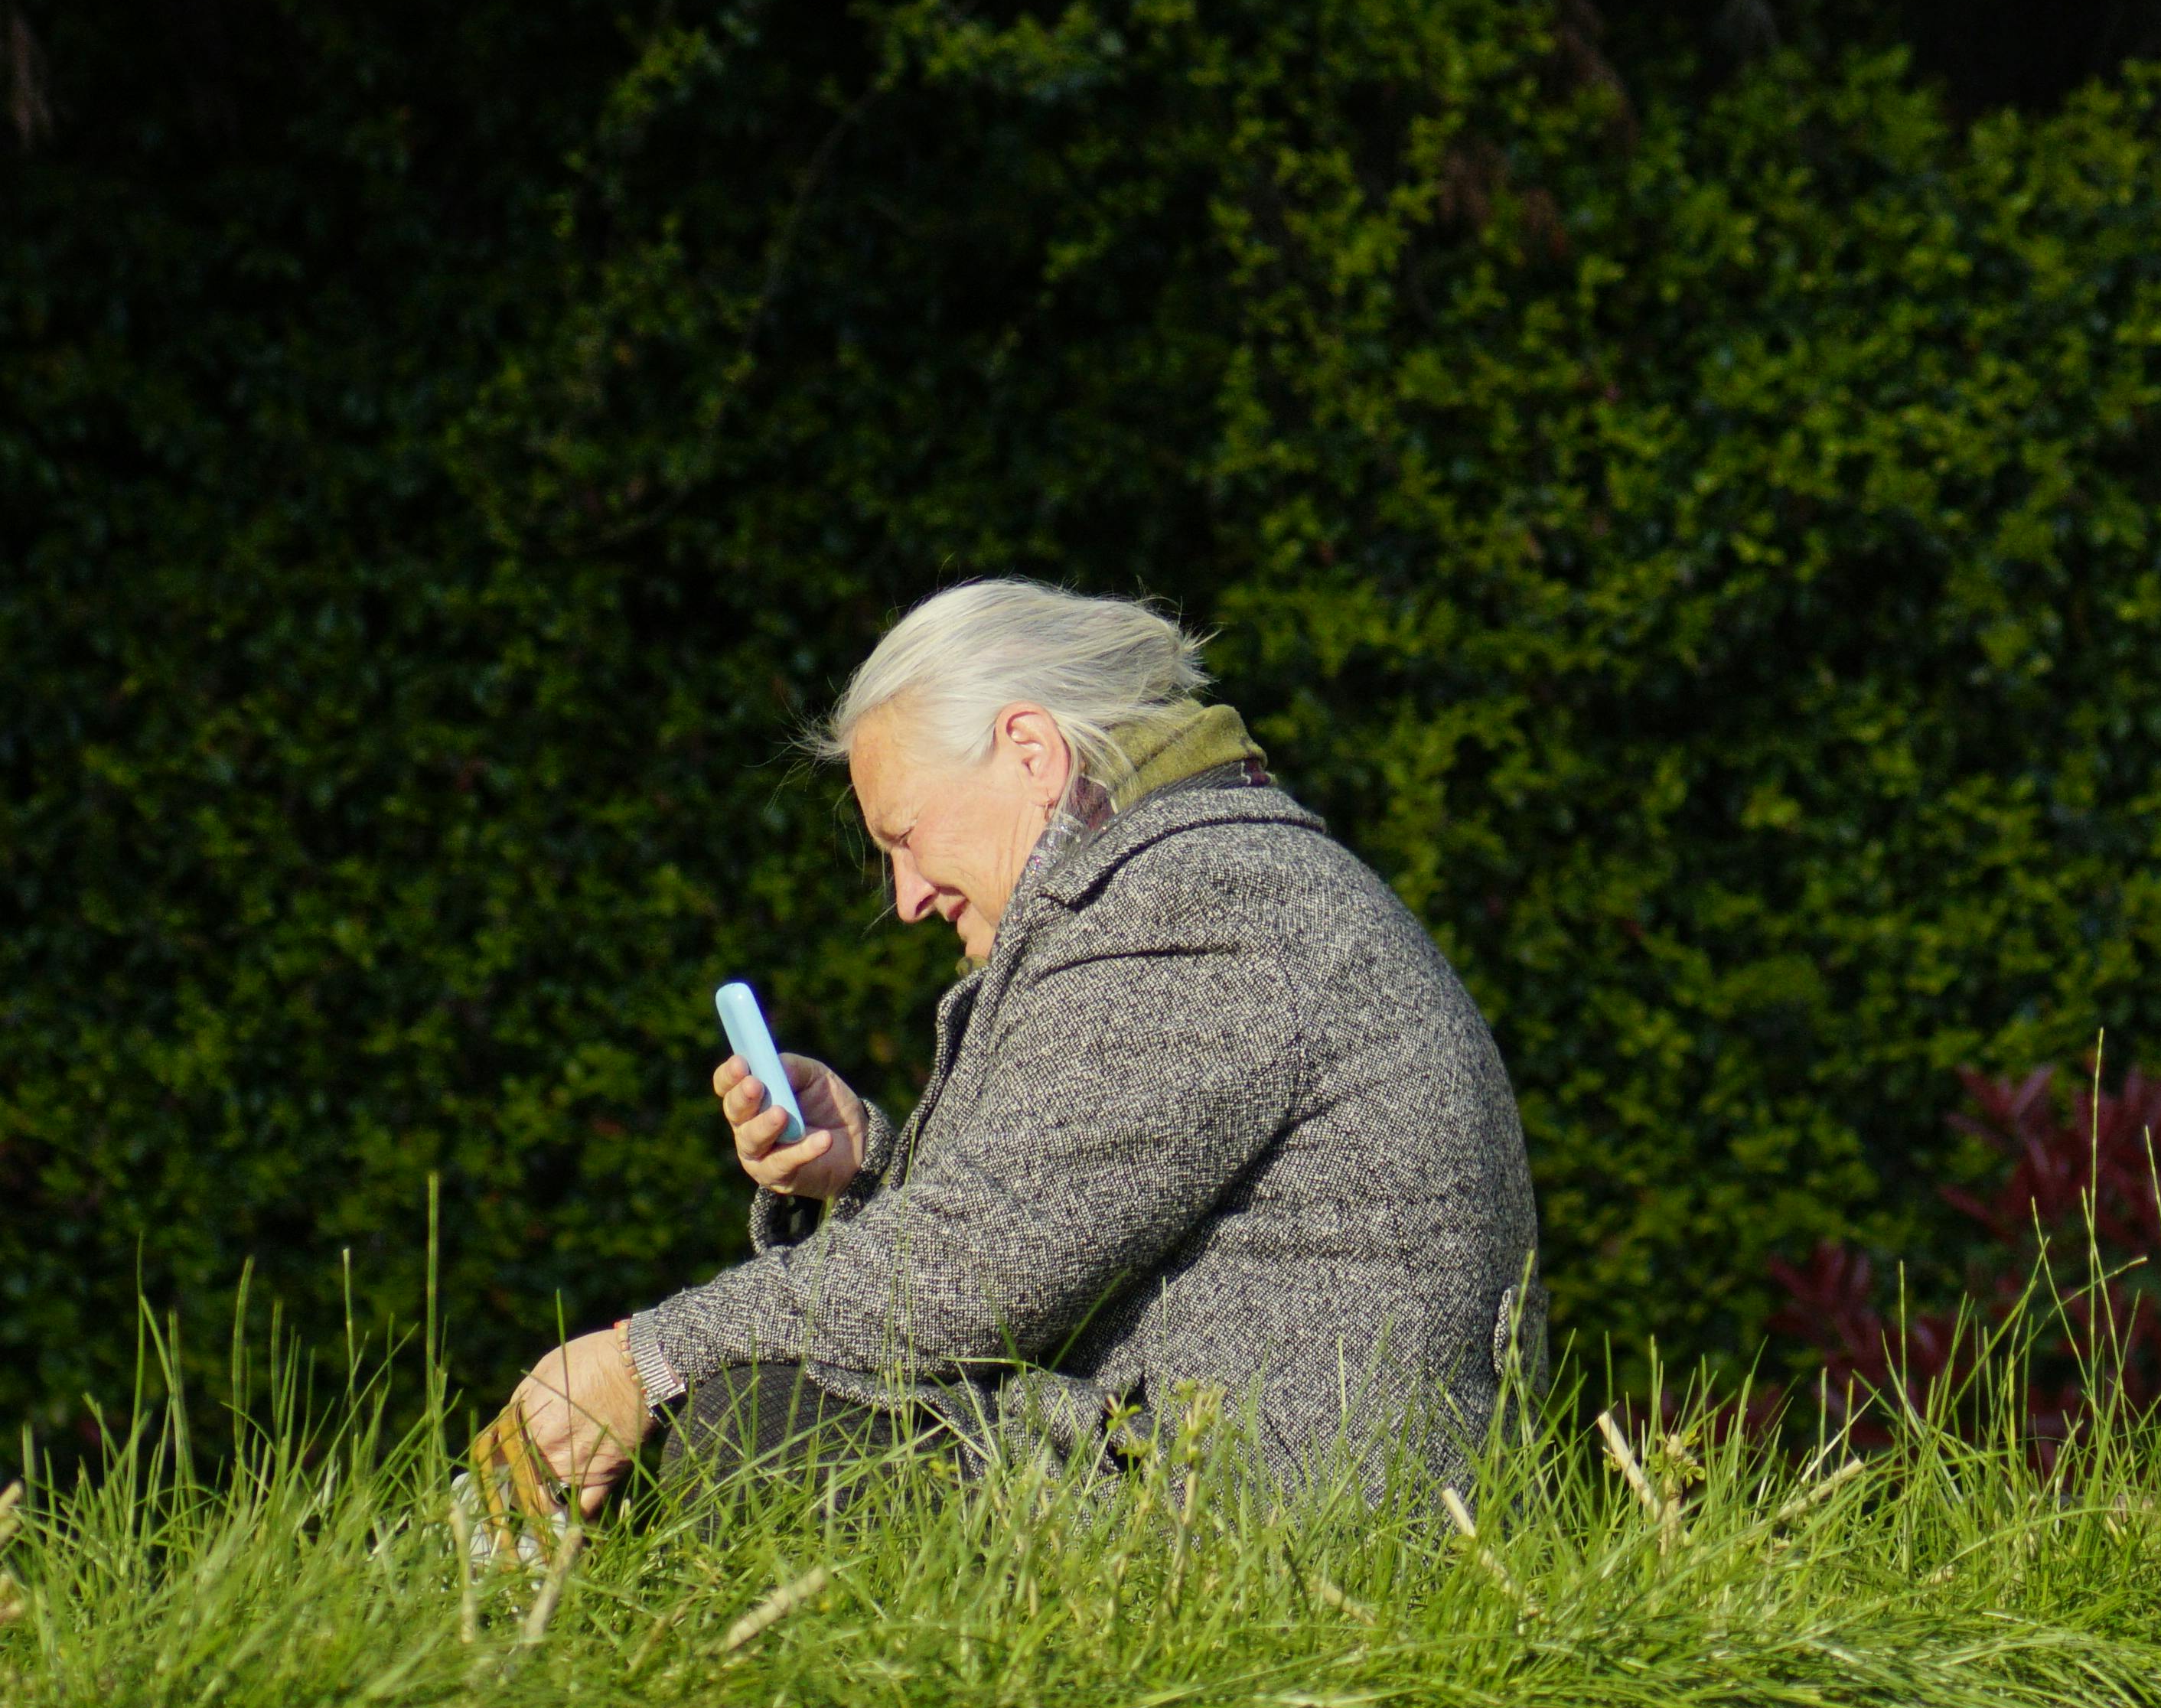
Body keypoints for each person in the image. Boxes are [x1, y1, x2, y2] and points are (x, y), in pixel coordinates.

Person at [474, 580, 1541, 1514]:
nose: (904, 899)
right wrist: (872, 1166)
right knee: (760, 1418)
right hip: (1240, 1477)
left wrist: (642, 1357)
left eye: (903, 836)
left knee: (754, 1437)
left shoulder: (1202, 908)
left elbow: (977, 1272)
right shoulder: (1188, 879)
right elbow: (1035, 1231)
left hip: (1279, 1518)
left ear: (1030, 752)